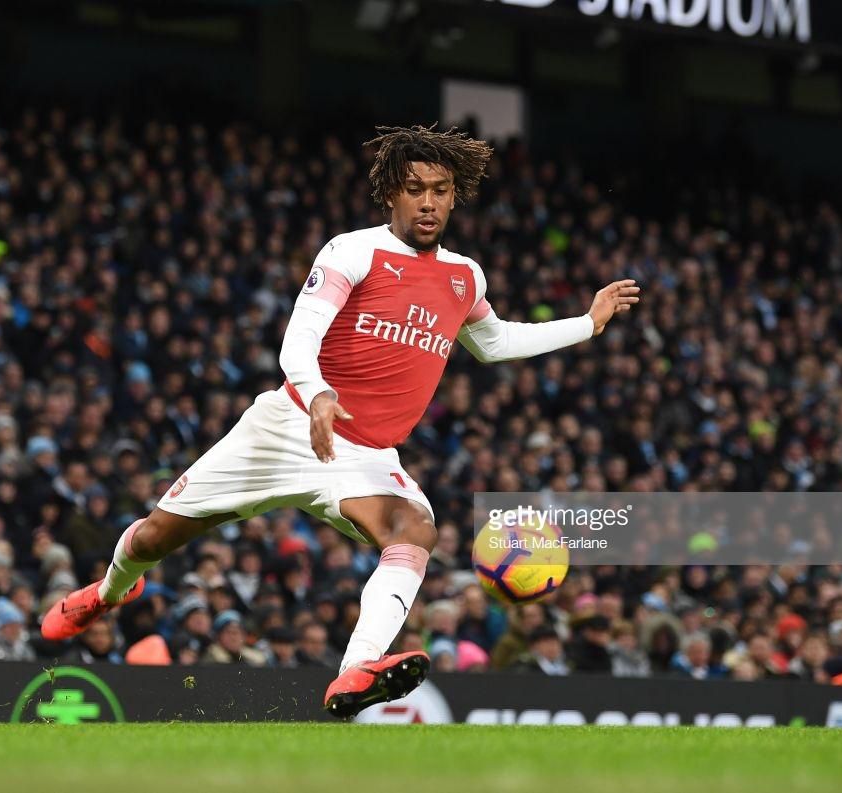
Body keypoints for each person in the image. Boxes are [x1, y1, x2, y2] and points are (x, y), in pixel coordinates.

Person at [42, 124, 639, 718]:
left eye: (440, 191)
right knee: (153, 538)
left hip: (365, 456)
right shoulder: (351, 252)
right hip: (287, 427)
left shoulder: (465, 276)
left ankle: (356, 671)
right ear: (391, 193)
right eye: (414, 189)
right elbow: (299, 339)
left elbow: (494, 342)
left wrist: (587, 323)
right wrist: (319, 394)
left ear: (455, 197)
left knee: (415, 529)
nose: (427, 203)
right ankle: (108, 592)